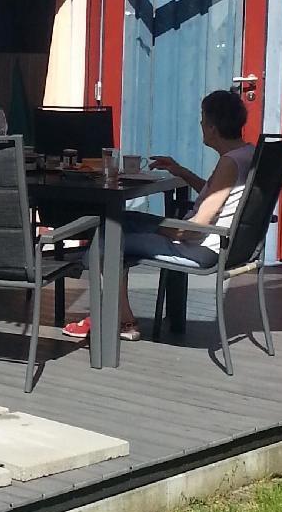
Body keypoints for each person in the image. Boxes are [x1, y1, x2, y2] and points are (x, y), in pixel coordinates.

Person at [63, 88, 255, 339]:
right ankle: (117, 313)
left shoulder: (229, 163)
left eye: (202, 119)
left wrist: (155, 228)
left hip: (200, 247)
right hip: (219, 242)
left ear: (212, 128)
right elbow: (219, 198)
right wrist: (181, 172)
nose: (200, 124)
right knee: (118, 222)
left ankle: (116, 319)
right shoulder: (247, 153)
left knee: (108, 238)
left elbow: (194, 229)